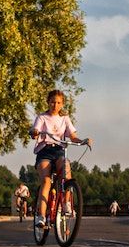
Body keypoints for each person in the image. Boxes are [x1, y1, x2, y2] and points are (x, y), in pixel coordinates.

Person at [30, 89, 91, 230]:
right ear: (48, 102)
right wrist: (34, 132)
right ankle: (41, 216)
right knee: (46, 181)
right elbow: (35, 130)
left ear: (62, 104)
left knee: (66, 169)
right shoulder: (42, 117)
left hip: (59, 151)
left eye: (58, 103)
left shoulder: (65, 119)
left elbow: (73, 136)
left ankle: (66, 203)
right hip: (44, 151)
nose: (55, 105)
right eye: (52, 102)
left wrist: (83, 141)